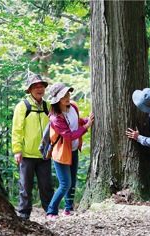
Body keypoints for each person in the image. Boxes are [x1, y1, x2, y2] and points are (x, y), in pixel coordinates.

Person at [45, 82, 94, 219]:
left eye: (68, 94)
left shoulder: (72, 106)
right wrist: (86, 127)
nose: (67, 97)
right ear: (56, 100)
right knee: (65, 183)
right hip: (61, 153)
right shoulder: (55, 118)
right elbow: (69, 135)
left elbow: (76, 121)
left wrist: (86, 120)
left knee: (72, 182)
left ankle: (68, 209)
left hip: (73, 150)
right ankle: (51, 211)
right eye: (63, 96)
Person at [12, 74, 54, 219]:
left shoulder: (47, 106)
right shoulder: (23, 106)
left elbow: (55, 127)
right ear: (30, 89)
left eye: (41, 86)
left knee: (47, 185)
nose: (39, 89)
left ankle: (50, 212)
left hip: (44, 154)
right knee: (25, 186)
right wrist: (17, 150)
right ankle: (24, 214)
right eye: (35, 86)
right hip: (26, 154)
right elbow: (17, 129)